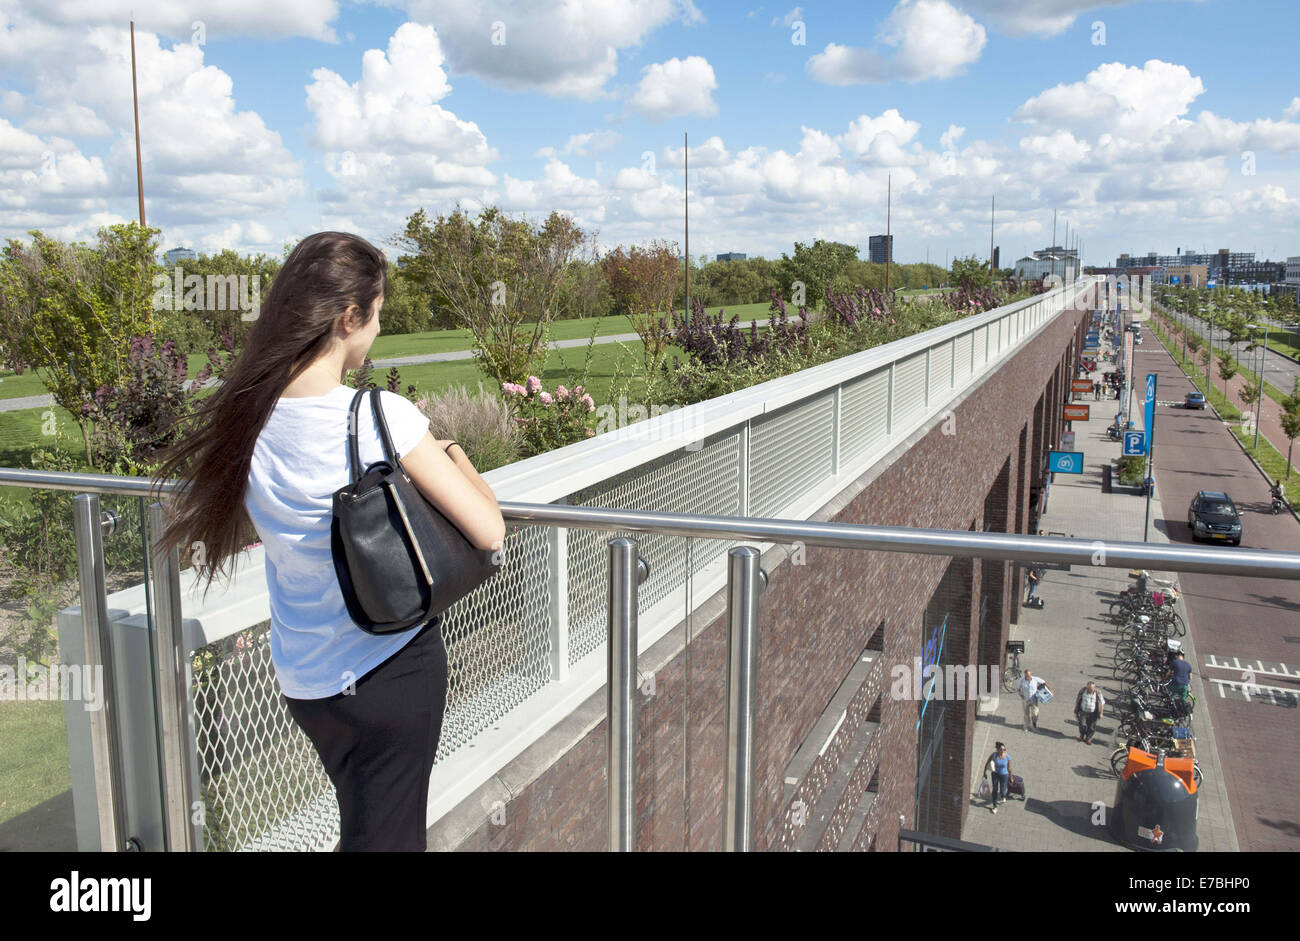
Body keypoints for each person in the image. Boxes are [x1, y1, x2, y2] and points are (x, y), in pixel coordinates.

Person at [149, 232, 507, 851]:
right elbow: (488, 528)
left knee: (368, 829)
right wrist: (458, 456)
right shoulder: (380, 416)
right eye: (377, 315)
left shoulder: (245, 414)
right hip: (389, 669)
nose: (377, 332)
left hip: (308, 681)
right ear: (348, 318)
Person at [983, 742, 1012, 813]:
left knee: (1002, 790)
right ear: (998, 750)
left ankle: (1003, 796)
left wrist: (1011, 777)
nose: (1004, 751)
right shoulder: (994, 755)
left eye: (1004, 749)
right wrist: (984, 773)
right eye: (1002, 749)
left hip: (1004, 775)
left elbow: (1010, 768)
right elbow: (987, 763)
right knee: (995, 789)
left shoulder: (1007, 757)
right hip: (995, 774)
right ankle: (995, 806)